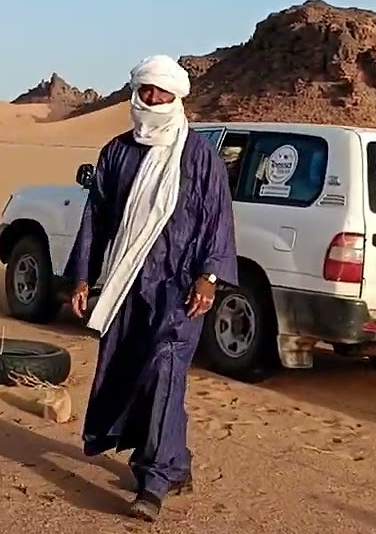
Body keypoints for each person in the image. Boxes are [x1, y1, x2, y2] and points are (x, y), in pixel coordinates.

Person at [65, 54, 238, 522]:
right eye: (147, 92)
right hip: (127, 282)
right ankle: (176, 463)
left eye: (163, 93)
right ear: (137, 94)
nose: (154, 99)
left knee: (165, 370)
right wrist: (81, 275)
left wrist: (209, 277)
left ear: (178, 97)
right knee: (133, 369)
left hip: (179, 286)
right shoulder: (117, 151)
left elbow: (217, 221)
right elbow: (96, 217)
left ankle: (153, 480)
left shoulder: (200, 157)